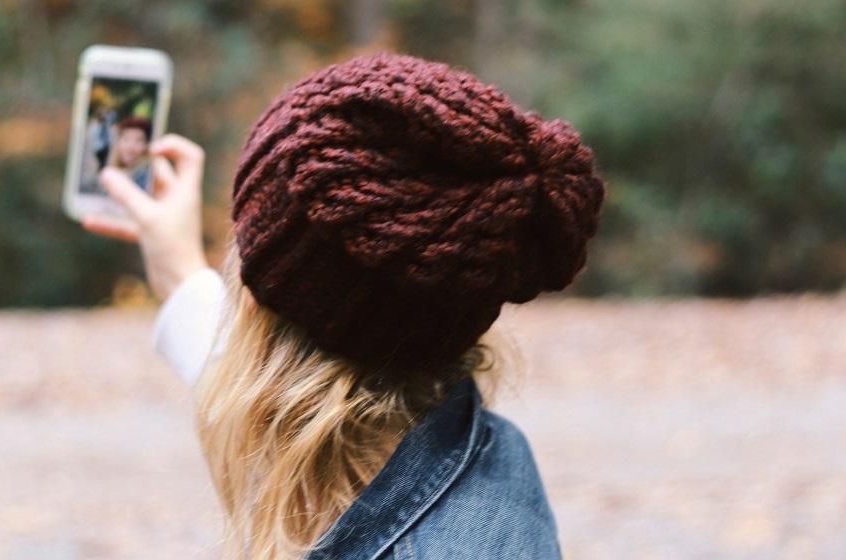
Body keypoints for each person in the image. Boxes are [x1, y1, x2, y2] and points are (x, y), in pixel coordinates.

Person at [82, 52, 606, 560]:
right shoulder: (476, 448)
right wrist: (176, 266)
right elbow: (286, 378)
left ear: (258, 315)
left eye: (243, 240)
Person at [107, 116, 153, 190]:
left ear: (146, 145)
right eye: (126, 139)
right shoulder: (110, 173)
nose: (130, 146)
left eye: (138, 141)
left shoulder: (147, 178)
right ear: (118, 143)